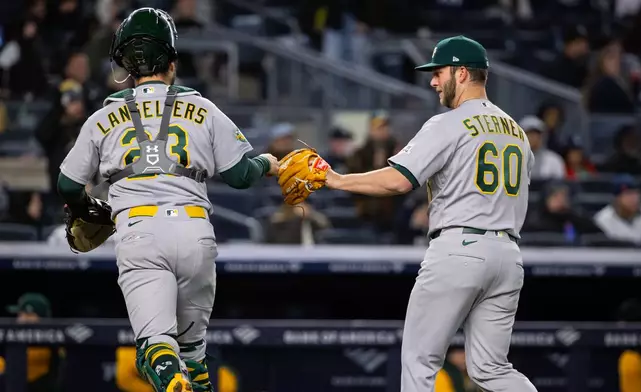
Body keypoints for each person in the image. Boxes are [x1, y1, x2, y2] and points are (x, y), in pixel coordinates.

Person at [56, 8, 278, 392]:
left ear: (124, 64)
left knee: (156, 350)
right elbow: (241, 175)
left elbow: (66, 183)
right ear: (172, 63)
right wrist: (269, 162)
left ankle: (172, 380)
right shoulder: (204, 108)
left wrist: (82, 207)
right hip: (194, 232)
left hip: (139, 233)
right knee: (193, 353)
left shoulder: (101, 117)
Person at [324, 35, 536, 391]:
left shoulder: (447, 123)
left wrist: (337, 180)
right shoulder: (518, 132)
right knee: (492, 370)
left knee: (420, 361)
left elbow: (397, 181)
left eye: (439, 72)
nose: (433, 81)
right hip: (508, 254)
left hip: (458, 249)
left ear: (463, 73)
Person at [0, 293, 65, 392]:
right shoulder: (18, 342)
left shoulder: (50, 346)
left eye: (22, 315)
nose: (18, 319)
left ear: (32, 316)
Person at [594, 175, 641, 246]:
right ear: (617, 198)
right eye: (628, 194)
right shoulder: (602, 220)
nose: (634, 199)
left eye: (636, 193)